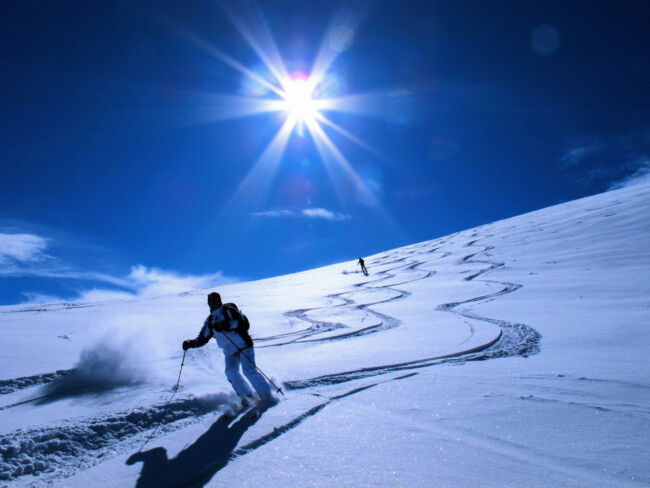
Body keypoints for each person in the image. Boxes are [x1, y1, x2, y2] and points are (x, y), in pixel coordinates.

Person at [182, 292, 274, 406]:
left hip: (244, 346)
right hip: (229, 352)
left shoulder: (229, 311)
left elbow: (244, 323)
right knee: (230, 372)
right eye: (210, 302)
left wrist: (225, 325)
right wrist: (190, 343)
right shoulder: (211, 320)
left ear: (219, 301)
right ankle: (248, 396)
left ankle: (267, 396)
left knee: (249, 371)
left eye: (214, 301)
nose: (212, 304)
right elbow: (203, 337)